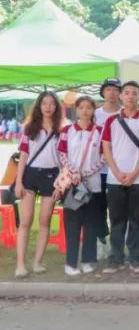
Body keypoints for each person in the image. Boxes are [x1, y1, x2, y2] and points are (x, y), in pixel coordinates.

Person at [101, 81, 139, 273]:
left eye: (134, 93)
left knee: (136, 221)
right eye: (127, 93)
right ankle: (116, 258)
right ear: (121, 96)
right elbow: (106, 148)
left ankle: (135, 258)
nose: (130, 96)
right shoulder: (111, 121)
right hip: (114, 178)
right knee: (116, 221)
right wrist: (116, 172)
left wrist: (134, 173)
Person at [14, 91, 65, 278]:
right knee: (26, 220)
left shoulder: (62, 130)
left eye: (52, 103)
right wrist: (18, 182)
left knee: (45, 220)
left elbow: (63, 159)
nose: (48, 107)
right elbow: (23, 156)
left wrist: (60, 185)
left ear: (56, 107)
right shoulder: (30, 128)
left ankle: (37, 262)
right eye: (44, 103)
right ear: (39, 106)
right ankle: (20, 265)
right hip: (30, 175)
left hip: (52, 176)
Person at [57, 96, 105, 276]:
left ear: (93, 110)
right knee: (73, 225)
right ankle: (70, 264)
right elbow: (61, 153)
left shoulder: (100, 131)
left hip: (93, 185)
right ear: (76, 110)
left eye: (89, 107)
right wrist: (74, 172)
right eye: (81, 107)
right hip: (73, 186)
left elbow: (104, 157)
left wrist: (86, 172)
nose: (85, 111)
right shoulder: (67, 130)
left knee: (91, 225)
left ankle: (87, 261)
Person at [93, 77, 122, 253]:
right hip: (97, 170)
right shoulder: (94, 114)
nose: (112, 93)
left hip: (119, 170)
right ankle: (101, 241)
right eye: (108, 89)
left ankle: (117, 245)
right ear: (103, 92)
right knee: (98, 207)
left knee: (117, 209)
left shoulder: (125, 113)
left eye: (116, 90)